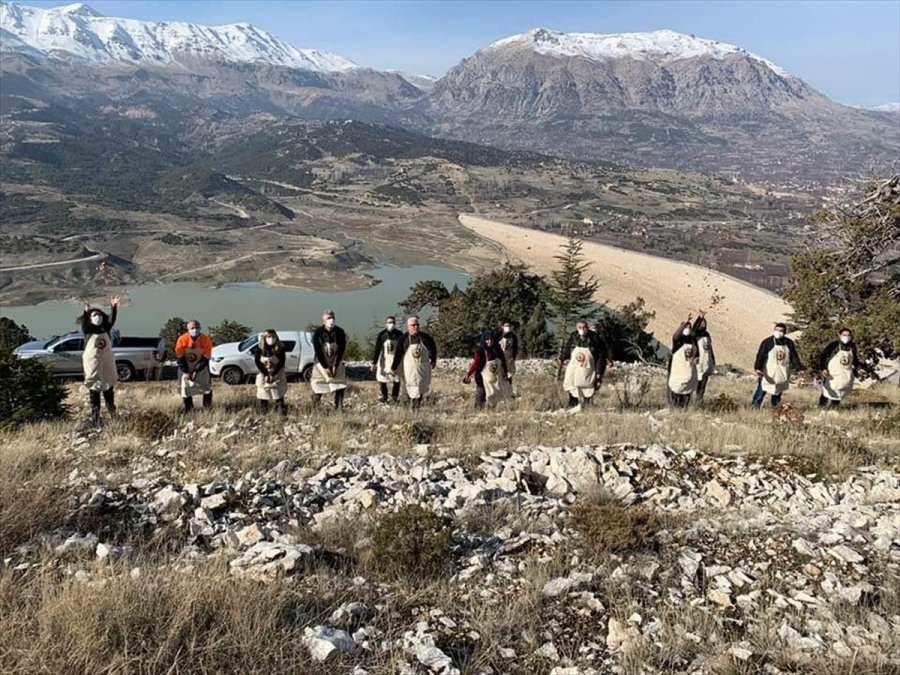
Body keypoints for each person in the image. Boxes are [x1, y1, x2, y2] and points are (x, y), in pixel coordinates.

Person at [81, 295, 120, 424]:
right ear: (90, 319)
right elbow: (84, 324)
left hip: (106, 362)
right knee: (94, 390)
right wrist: (86, 311)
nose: (98, 317)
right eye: (94, 315)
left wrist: (113, 306)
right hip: (93, 364)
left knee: (108, 389)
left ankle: (113, 413)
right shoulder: (88, 330)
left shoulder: (105, 329)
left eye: (99, 315)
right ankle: (95, 418)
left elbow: (112, 320)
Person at [751, 322, 803, 408]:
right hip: (768, 372)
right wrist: (758, 368)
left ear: (785, 332)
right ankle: (755, 407)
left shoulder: (789, 343)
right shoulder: (767, 342)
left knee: (778, 391)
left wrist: (799, 369)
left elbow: (794, 357)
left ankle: (775, 408)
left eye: (781, 330)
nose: (778, 332)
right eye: (776, 330)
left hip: (782, 372)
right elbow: (760, 356)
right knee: (762, 390)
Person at [391, 316, 437, 409]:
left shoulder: (425, 338)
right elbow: (398, 354)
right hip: (409, 369)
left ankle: (417, 407)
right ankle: (408, 407)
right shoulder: (403, 339)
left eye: (417, 325)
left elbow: (432, 348)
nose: (416, 327)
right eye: (413, 325)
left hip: (421, 368)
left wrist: (433, 360)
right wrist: (394, 367)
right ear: (408, 327)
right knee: (409, 387)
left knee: (420, 388)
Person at [560, 319, 608, 408]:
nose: (582, 329)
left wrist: (599, 372)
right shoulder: (573, 336)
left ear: (587, 327)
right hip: (575, 365)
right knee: (570, 382)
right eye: (580, 327)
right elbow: (567, 348)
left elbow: (601, 355)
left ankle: (587, 403)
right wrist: (562, 358)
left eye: (584, 327)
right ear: (576, 327)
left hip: (588, 366)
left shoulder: (595, 338)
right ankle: (572, 402)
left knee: (588, 383)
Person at [463, 331, 512, 409]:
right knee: (481, 392)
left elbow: (503, 362)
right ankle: (479, 410)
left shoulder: (497, 349)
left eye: (490, 340)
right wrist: (468, 374)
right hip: (481, 376)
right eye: (487, 340)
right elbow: (475, 364)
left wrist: (505, 373)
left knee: (494, 392)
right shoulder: (480, 350)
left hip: (494, 376)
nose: (489, 341)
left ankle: (491, 408)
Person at [310, 309, 348, 410]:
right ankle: (315, 408)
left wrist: (335, 365)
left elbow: (341, 349)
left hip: (336, 361)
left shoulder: (340, 332)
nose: (331, 320)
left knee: (339, 385)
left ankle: (339, 407)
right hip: (321, 363)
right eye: (328, 318)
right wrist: (325, 367)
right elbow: (318, 350)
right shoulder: (318, 333)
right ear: (323, 320)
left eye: (333, 318)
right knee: (319, 385)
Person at [175, 319, 214, 412]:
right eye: (192, 328)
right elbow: (179, 357)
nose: (195, 329)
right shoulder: (182, 339)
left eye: (197, 327)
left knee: (206, 387)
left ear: (200, 328)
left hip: (201, 366)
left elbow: (206, 357)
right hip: (185, 366)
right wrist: (186, 371)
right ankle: (189, 408)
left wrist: (196, 370)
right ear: (188, 329)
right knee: (185, 388)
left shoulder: (206, 339)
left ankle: (207, 408)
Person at [818, 327, 860, 407]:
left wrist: (859, 368)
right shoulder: (833, 346)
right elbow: (824, 357)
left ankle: (834, 408)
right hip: (832, 374)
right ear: (839, 335)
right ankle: (821, 407)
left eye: (848, 335)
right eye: (844, 335)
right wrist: (823, 368)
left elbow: (854, 360)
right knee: (828, 390)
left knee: (840, 391)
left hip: (845, 374)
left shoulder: (852, 347)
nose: (846, 337)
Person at [668, 318, 699, 408]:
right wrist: (685, 322)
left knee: (687, 392)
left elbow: (697, 354)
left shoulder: (693, 341)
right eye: (686, 327)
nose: (688, 328)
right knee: (677, 389)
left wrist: (695, 359)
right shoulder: (678, 341)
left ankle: (684, 409)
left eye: (689, 327)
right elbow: (675, 335)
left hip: (689, 370)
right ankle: (675, 408)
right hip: (678, 371)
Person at [255, 329, 288, 414]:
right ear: (264, 338)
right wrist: (265, 374)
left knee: (278, 395)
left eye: (273, 336)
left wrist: (273, 374)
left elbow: (281, 362)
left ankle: (281, 413)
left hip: (277, 373)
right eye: (268, 337)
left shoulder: (280, 348)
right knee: (263, 394)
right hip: (263, 374)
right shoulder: (260, 348)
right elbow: (257, 362)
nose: (271, 338)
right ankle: (263, 413)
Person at [371, 315, 402, 403]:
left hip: (395, 359)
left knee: (397, 379)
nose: (391, 324)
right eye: (389, 322)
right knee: (382, 379)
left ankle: (394, 398)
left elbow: (402, 349)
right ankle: (384, 396)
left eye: (393, 322)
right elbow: (377, 349)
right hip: (384, 359)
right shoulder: (382, 335)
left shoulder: (399, 334)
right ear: (386, 324)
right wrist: (374, 363)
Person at [692, 310, 716, 401]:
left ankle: (699, 401)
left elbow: (710, 350)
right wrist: (700, 317)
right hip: (698, 364)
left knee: (702, 386)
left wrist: (713, 361)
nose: (702, 325)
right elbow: (694, 329)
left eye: (704, 323)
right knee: (695, 384)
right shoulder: (695, 335)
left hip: (707, 363)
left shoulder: (707, 335)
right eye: (701, 323)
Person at [498, 320, 519, 385]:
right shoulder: (498, 335)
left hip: (509, 359)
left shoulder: (513, 336)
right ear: (502, 326)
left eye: (509, 326)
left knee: (508, 376)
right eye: (506, 326)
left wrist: (513, 357)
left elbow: (515, 348)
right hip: (499, 359)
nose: (508, 327)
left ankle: (508, 392)